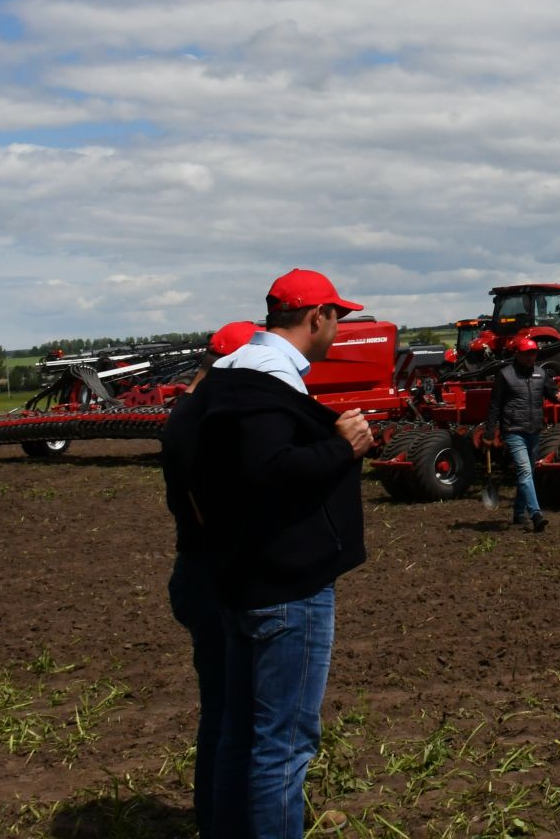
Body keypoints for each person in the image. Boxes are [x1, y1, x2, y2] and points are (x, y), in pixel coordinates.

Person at [184, 269, 374, 839]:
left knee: (242, 734)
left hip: (240, 578)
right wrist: (341, 448)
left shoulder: (229, 379)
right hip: (286, 589)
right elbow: (268, 473)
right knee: (284, 747)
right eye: (338, 316)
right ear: (318, 318)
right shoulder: (267, 384)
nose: (340, 327)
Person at [161, 320, 259, 839]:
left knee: (224, 705)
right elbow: (212, 511)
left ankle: (221, 818)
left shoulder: (185, 410)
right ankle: (222, 824)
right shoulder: (202, 419)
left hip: (196, 569)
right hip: (211, 573)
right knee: (226, 710)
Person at [485, 336, 560, 534]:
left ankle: (518, 513)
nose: (531, 357)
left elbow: (550, 392)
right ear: (517, 354)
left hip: (534, 430)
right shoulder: (505, 375)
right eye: (527, 354)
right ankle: (536, 514)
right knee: (525, 472)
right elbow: (495, 406)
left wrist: (557, 397)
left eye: (533, 353)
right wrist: (489, 430)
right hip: (513, 430)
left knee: (527, 474)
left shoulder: (541, 373)